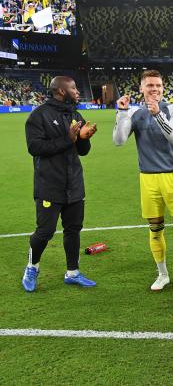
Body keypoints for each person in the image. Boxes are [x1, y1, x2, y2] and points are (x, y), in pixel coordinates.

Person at [113, 70, 173, 292]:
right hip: (148, 179)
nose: (155, 89)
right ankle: (162, 275)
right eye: (150, 85)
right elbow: (119, 141)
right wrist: (122, 112)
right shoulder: (134, 113)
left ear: (163, 88)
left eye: (158, 85)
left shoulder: (172, 109)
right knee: (155, 229)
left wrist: (157, 115)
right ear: (141, 88)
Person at [21, 76, 98, 292]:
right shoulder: (39, 115)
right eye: (73, 88)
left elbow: (82, 152)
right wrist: (69, 139)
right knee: (44, 232)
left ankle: (72, 273)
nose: (77, 91)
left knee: (73, 230)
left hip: (74, 184)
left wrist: (84, 138)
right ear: (61, 91)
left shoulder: (75, 114)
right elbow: (35, 147)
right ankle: (32, 267)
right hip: (49, 185)